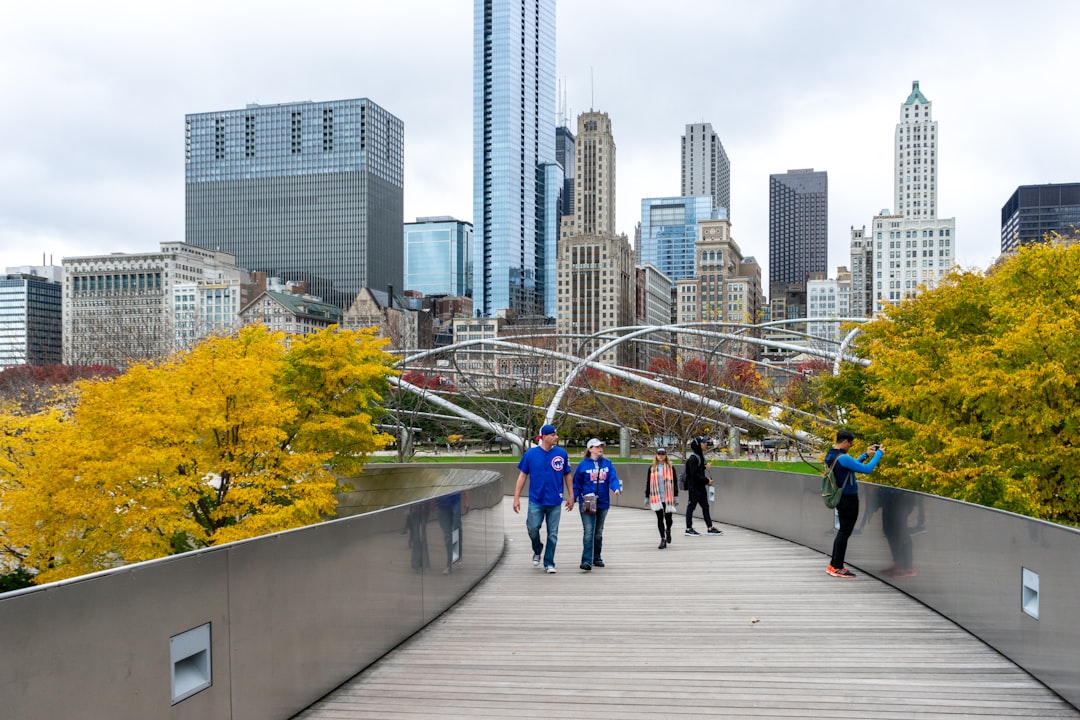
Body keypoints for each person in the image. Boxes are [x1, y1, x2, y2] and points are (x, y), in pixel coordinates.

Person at [513, 424, 573, 574]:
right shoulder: (531, 454)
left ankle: (549, 562)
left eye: (556, 434)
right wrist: (516, 498)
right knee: (532, 528)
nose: (556, 437)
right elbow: (522, 476)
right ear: (544, 437)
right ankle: (537, 549)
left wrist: (571, 496)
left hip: (555, 500)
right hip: (536, 500)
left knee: (553, 534)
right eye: (553, 435)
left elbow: (567, 474)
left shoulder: (561, 453)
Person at [824, 429, 884, 578]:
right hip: (848, 498)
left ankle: (833, 564)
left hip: (840, 497)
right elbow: (867, 469)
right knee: (845, 532)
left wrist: (865, 455)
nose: (850, 446)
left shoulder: (832, 455)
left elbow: (850, 467)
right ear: (844, 441)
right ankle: (837, 566)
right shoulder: (843, 457)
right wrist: (879, 454)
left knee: (842, 531)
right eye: (850, 444)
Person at [572, 438, 622, 571]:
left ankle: (597, 557)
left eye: (601, 446)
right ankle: (586, 560)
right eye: (596, 446)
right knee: (589, 531)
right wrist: (573, 497)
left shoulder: (607, 463)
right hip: (588, 500)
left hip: (603, 501)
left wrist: (616, 488)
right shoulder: (583, 465)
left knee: (598, 532)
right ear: (590, 449)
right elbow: (576, 483)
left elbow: (613, 478)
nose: (600, 448)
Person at [684, 436, 722, 536]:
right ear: (698, 444)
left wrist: (704, 468)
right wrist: (707, 481)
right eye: (704, 443)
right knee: (691, 507)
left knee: (705, 506)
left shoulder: (699, 456)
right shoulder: (693, 458)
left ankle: (710, 527)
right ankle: (688, 528)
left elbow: (697, 471)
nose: (706, 444)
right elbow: (694, 475)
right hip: (695, 488)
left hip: (700, 487)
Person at [645, 447, 678, 548]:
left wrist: (676, 496)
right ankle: (662, 539)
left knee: (669, 518)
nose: (661, 456)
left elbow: (675, 483)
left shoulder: (670, 467)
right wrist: (647, 496)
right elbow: (648, 483)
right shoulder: (652, 468)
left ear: (665, 455)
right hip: (656, 497)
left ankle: (668, 530)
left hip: (668, 497)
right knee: (660, 518)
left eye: (663, 454)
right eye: (659, 454)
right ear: (656, 455)